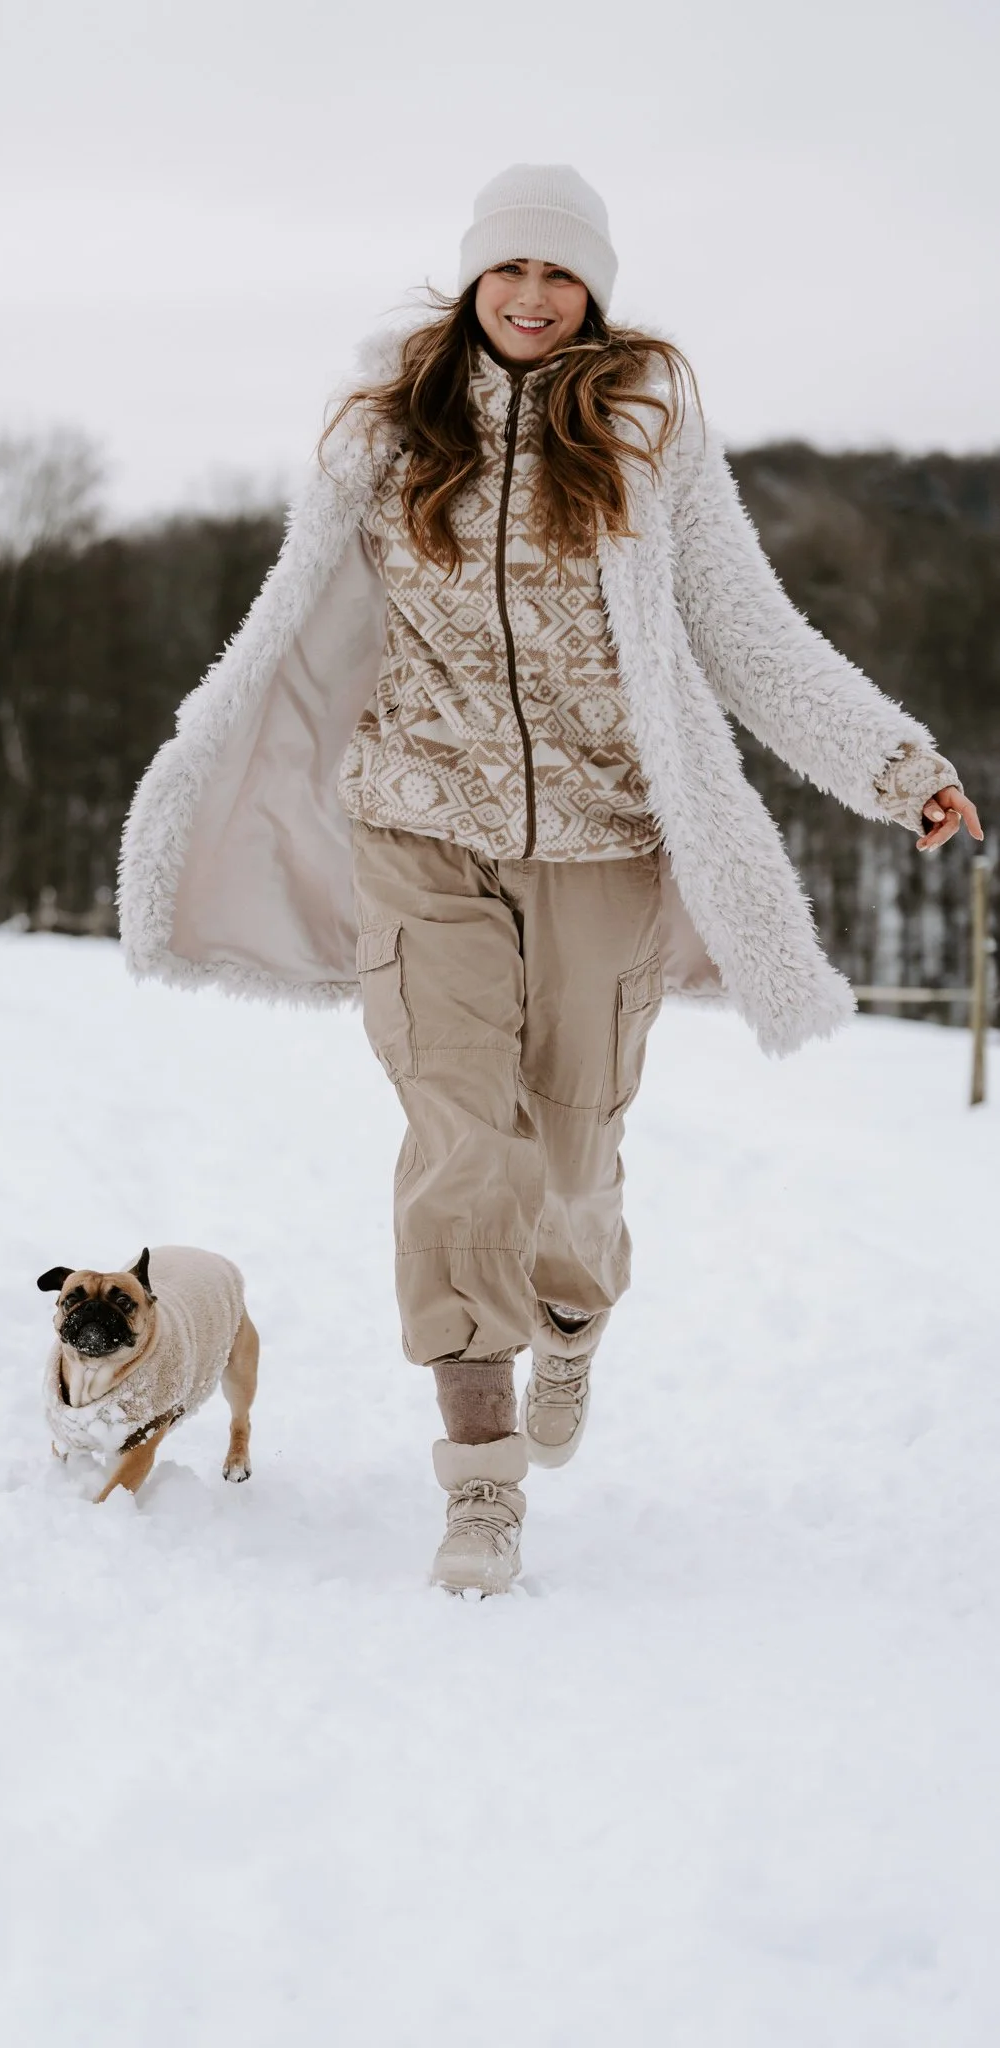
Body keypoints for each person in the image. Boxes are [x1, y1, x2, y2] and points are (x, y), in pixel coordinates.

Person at [117, 164, 983, 1595]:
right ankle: (480, 1484)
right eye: (507, 270)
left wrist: (896, 768)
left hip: (605, 842)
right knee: (463, 1149)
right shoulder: (386, 434)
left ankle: (570, 1318)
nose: (530, 296)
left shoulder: (646, 435)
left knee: (571, 1157)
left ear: (595, 293)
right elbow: (294, 620)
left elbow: (747, 633)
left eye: (560, 275)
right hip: (418, 830)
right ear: (470, 281)